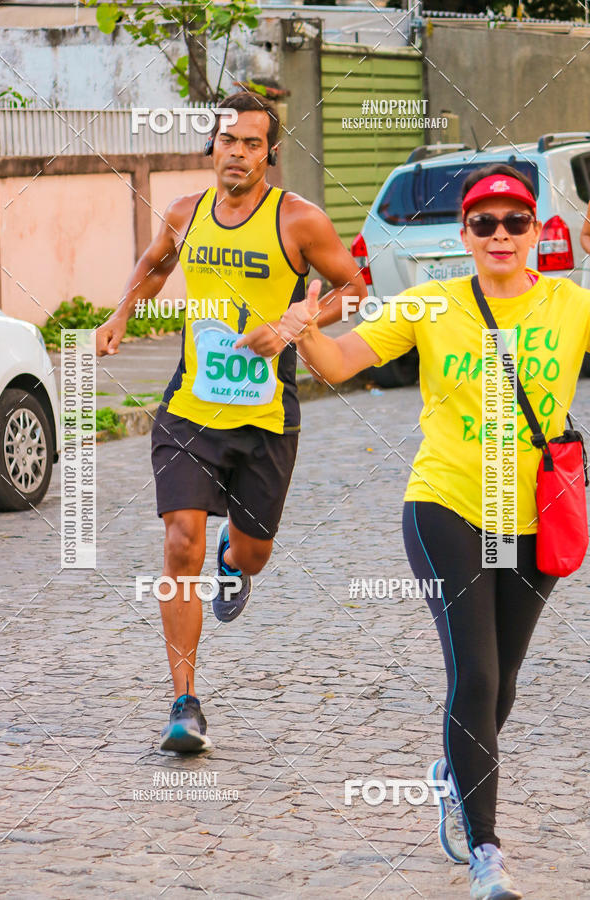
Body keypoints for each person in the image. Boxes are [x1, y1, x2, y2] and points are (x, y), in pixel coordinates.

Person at [279, 163, 590, 900]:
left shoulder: (569, 305)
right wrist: (303, 332)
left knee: (502, 684)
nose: (501, 235)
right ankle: (487, 854)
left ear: (536, 229)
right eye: (485, 223)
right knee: (475, 676)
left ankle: (456, 774)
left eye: (516, 221)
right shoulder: (430, 305)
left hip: (532, 514)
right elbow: (343, 360)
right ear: (467, 236)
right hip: (445, 502)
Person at [96, 91, 367, 754]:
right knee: (180, 543)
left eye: (251, 143)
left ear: (269, 153)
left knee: (252, 551)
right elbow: (156, 261)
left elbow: (356, 286)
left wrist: (298, 322)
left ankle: (235, 561)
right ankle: (184, 703)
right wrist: (123, 312)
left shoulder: (300, 221)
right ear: (213, 147)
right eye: (228, 141)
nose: (238, 153)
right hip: (189, 408)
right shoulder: (187, 213)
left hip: (266, 417)